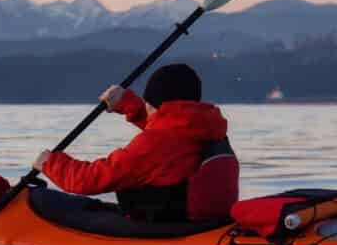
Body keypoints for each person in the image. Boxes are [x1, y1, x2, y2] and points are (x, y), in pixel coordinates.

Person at [34, 63, 238, 222]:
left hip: (167, 225)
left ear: (152, 104)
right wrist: (126, 103)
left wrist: (50, 163)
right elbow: (169, 132)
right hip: (206, 221)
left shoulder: (155, 145)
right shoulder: (208, 129)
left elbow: (89, 180)